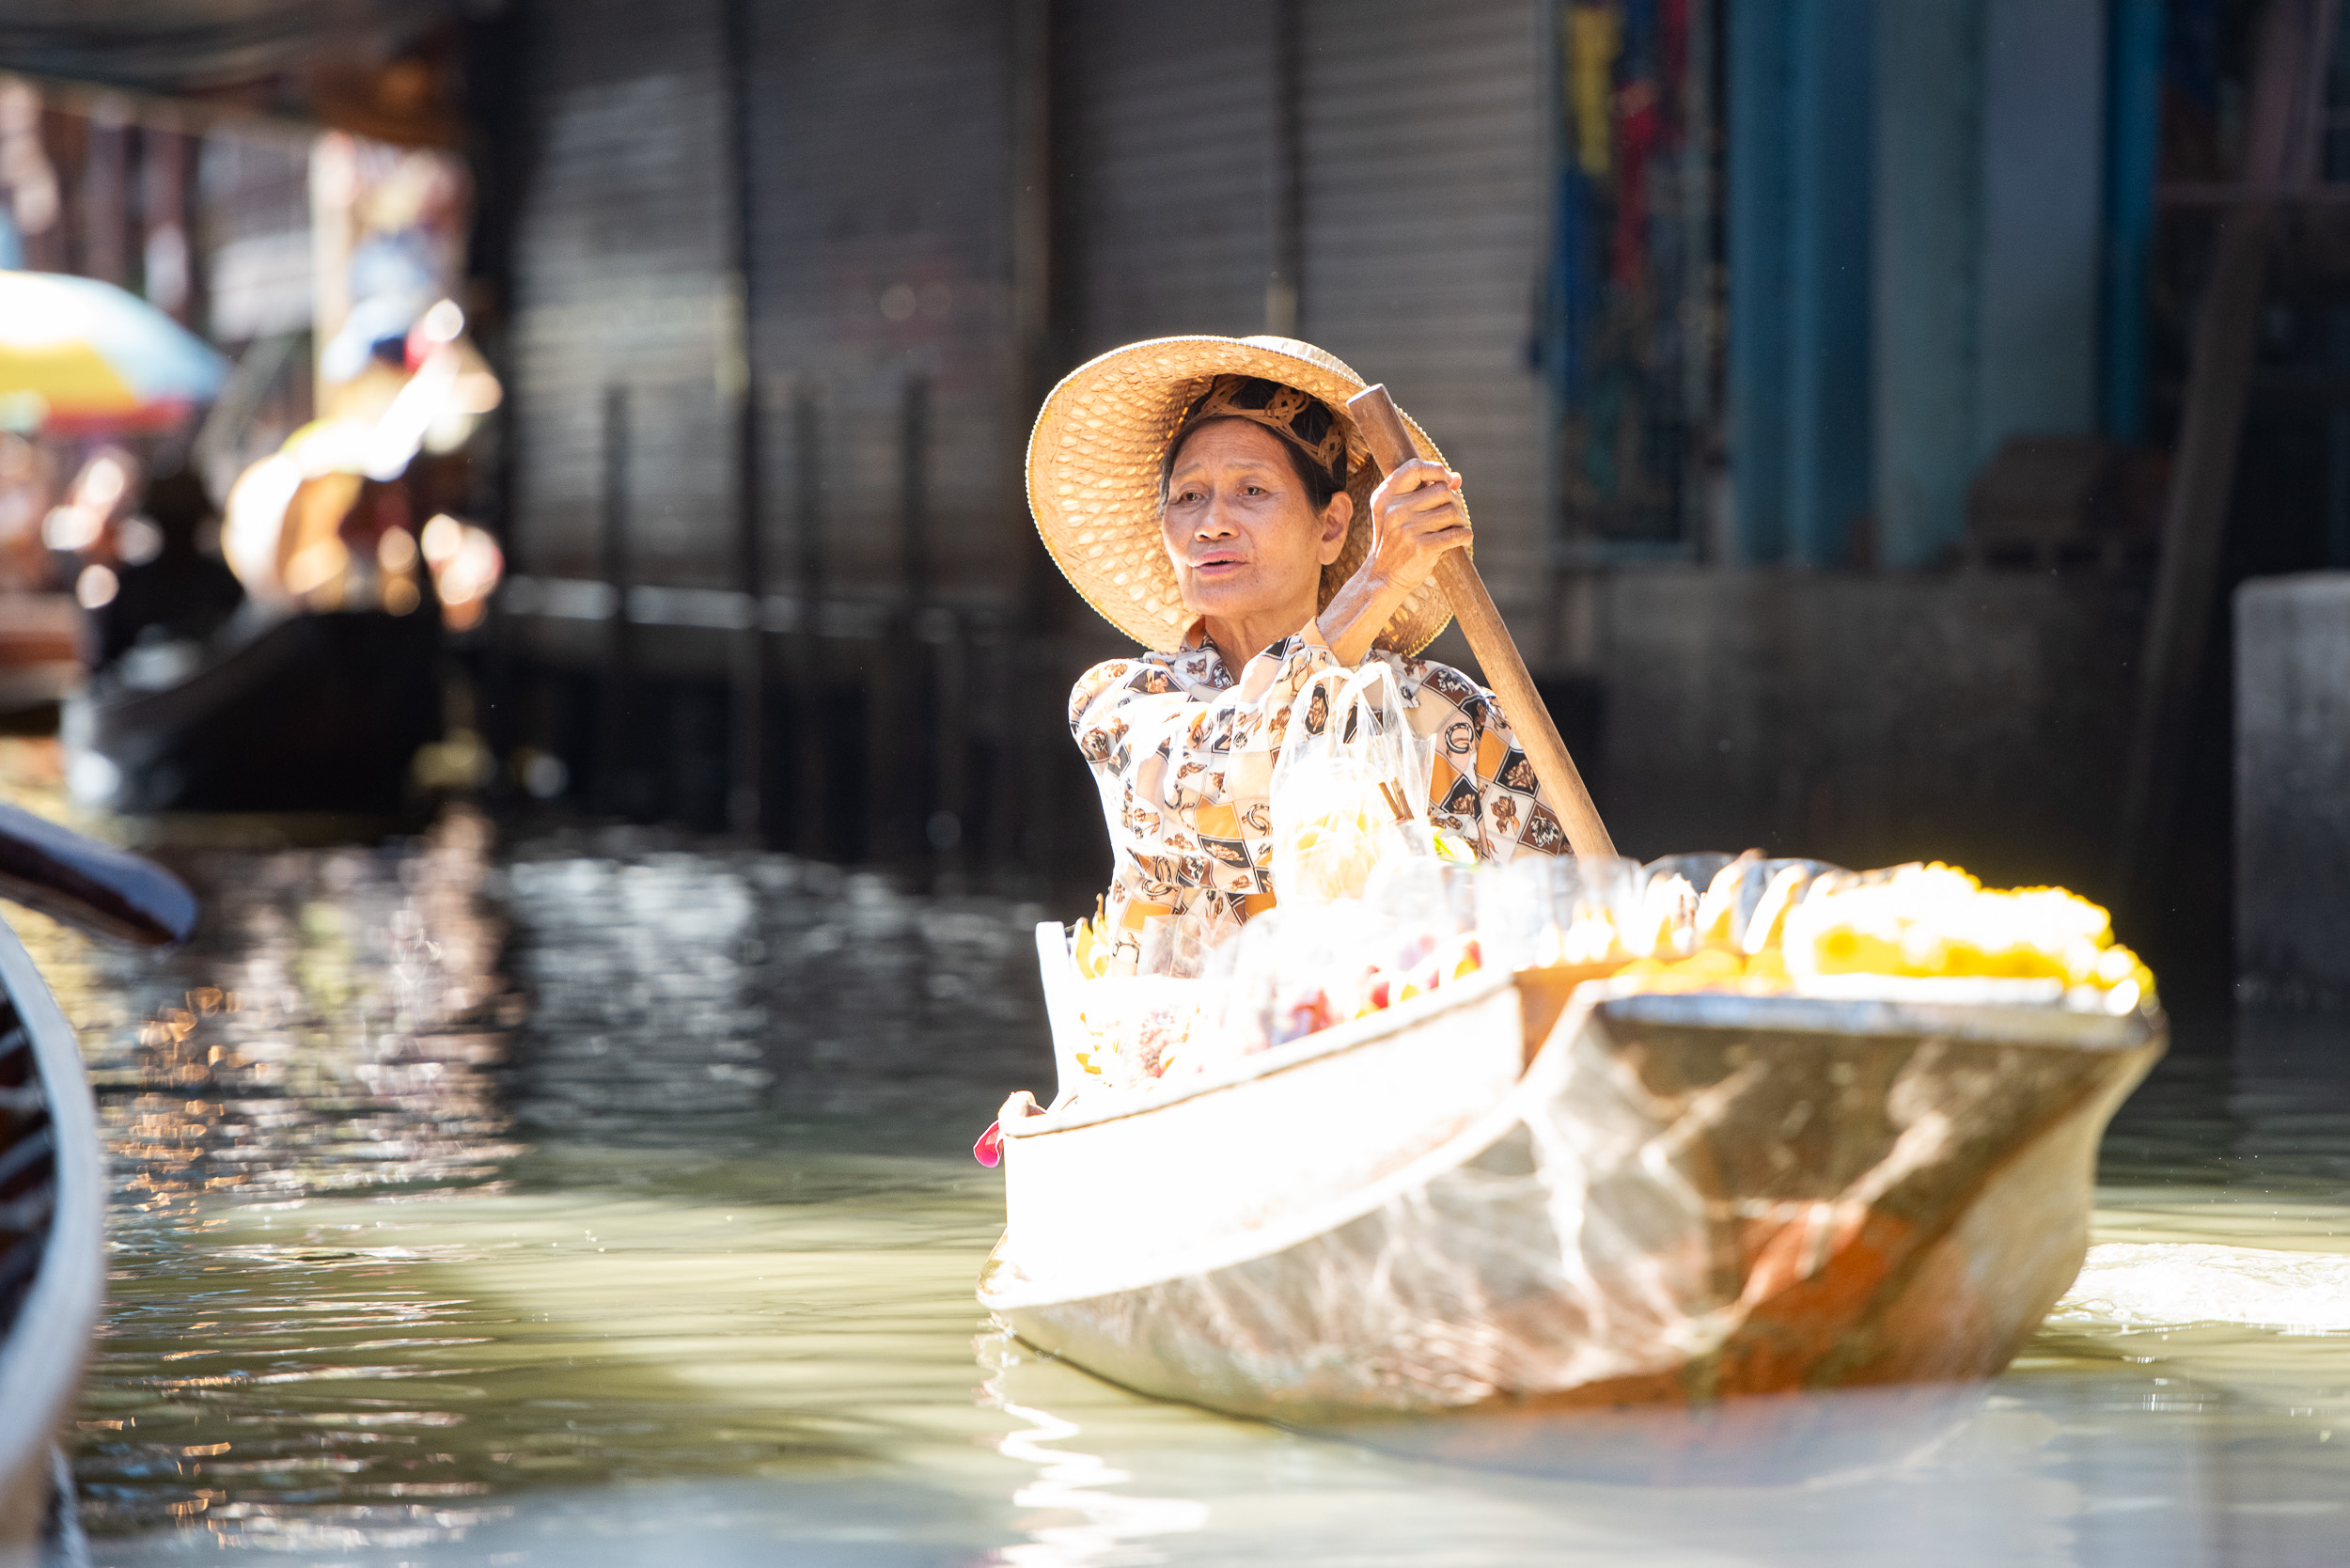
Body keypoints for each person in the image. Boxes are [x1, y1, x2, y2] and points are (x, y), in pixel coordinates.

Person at [1031, 335, 1572, 977]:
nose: (1212, 523)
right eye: (1188, 496)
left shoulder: (1442, 710)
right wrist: (1375, 585)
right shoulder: (1122, 701)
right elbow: (1216, 786)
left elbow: (1555, 908)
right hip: (1189, 1059)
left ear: (1332, 526)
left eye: (1252, 491)